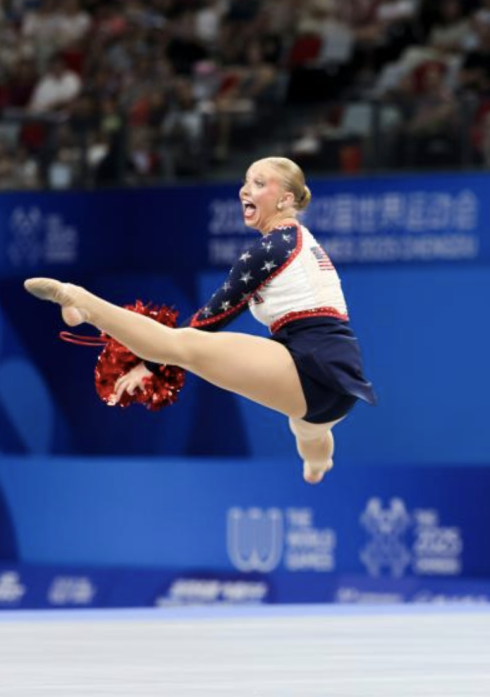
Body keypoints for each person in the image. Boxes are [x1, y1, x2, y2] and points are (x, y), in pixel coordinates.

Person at [25, 157, 376, 484]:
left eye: (257, 183)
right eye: (245, 181)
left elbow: (209, 320)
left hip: (312, 366)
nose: (244, 190)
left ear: (285, 200)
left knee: (185, 346)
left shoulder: (272, 248)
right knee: (309, 431)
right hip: (340, 378)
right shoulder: (298, 240)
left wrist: (152, 363)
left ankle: (81, 301)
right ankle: (318, 464)